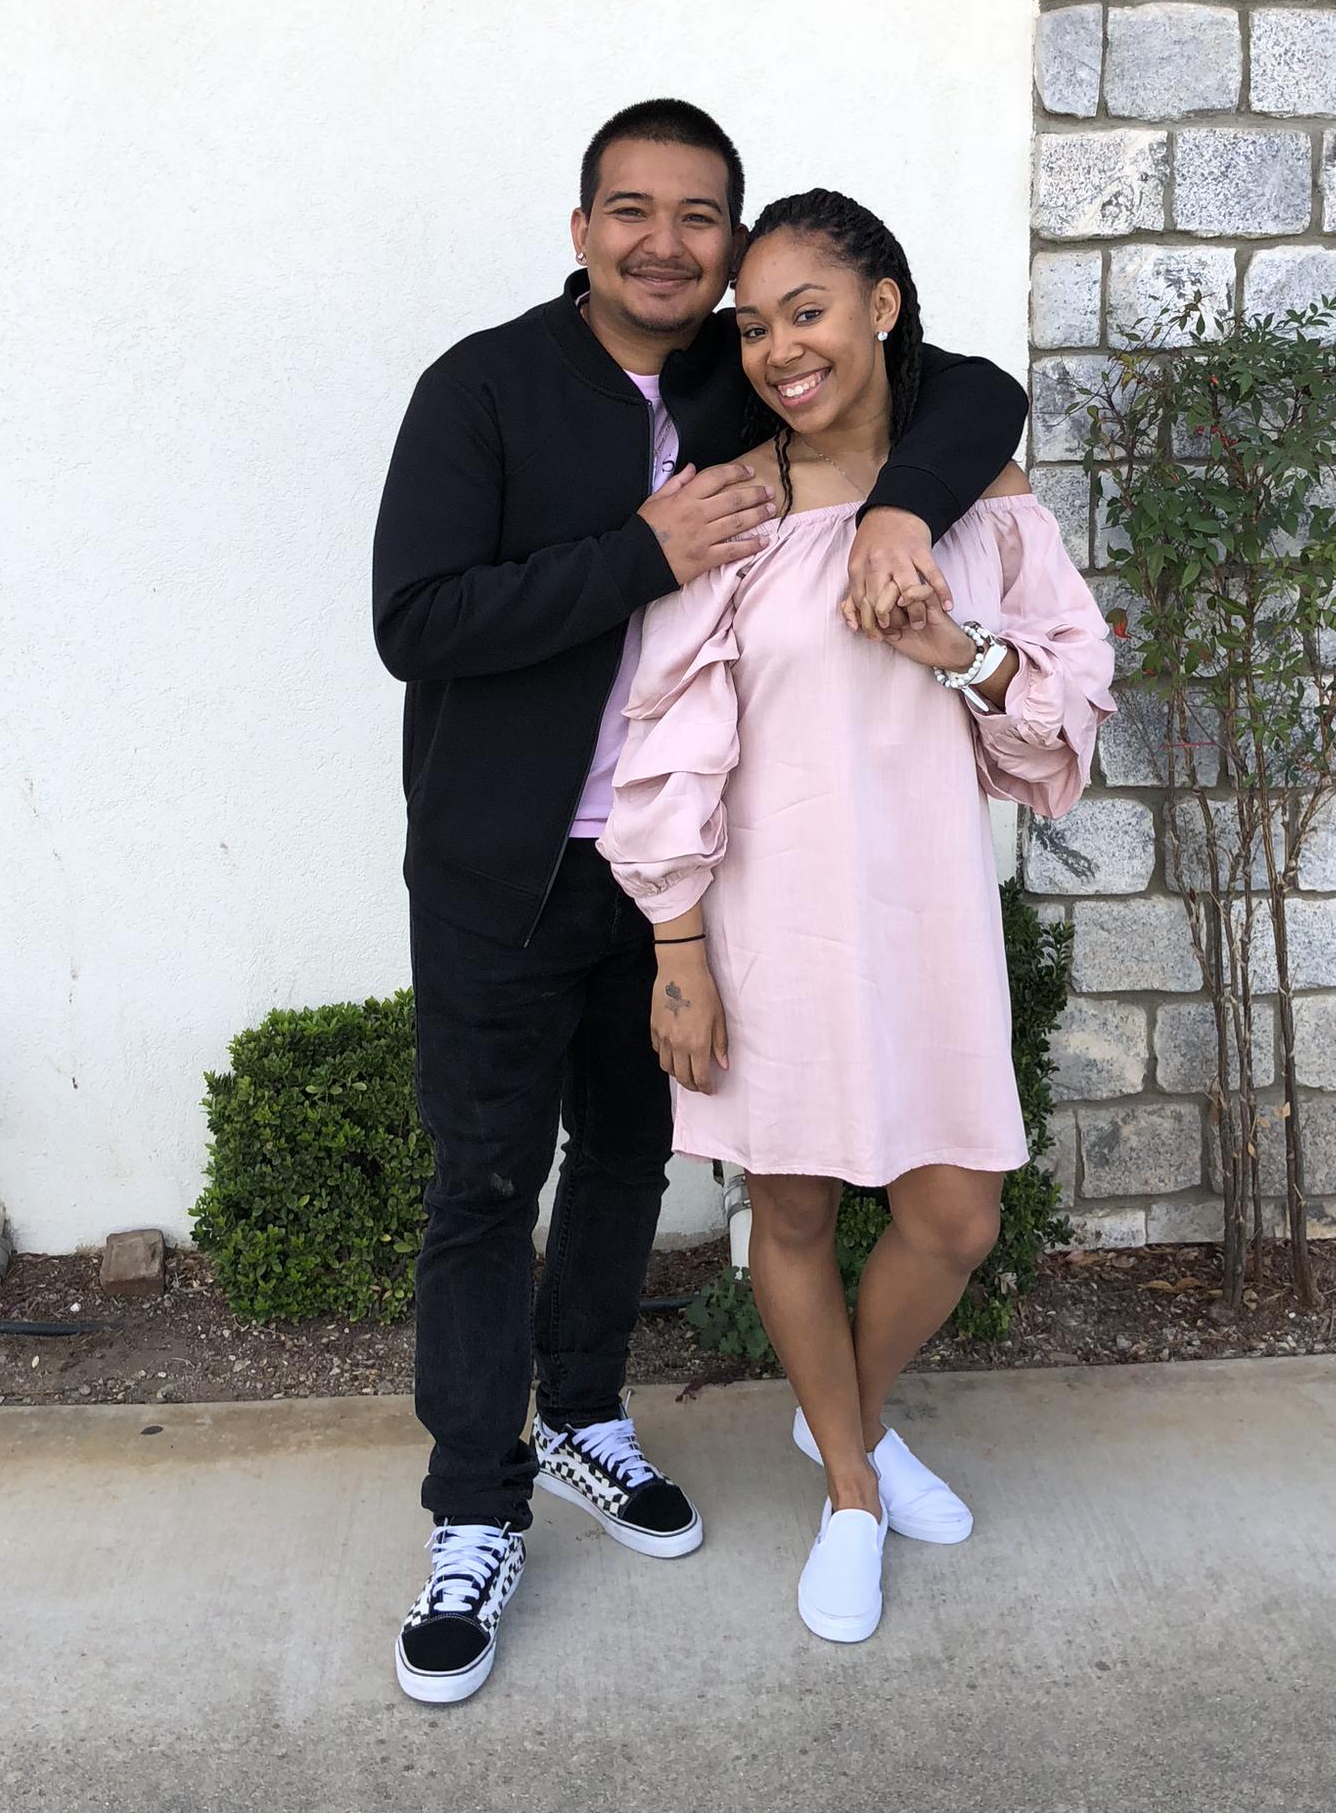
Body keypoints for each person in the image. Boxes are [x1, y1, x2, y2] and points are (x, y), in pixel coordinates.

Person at [371, 103, 1027, 1704]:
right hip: (513, 864)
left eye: (697, 218)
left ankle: (586, 1415)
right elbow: (416, 621)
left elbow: (974, 392)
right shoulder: (485, 386)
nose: (664, 243)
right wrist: (638, 553)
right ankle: (474, 1511)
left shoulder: (745, 380)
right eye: (631, 209)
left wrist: (899, 509)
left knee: (625, 1160)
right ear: (582, 228)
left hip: (696, 878)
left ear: (731, 244)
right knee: (485, 1186)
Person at [598, 189, 1115, 1644]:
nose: (778, 348)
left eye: (807, 311)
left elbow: (1069, 695)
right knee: (795, 1209)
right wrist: (679, 951)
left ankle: (846, 1419)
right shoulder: (734, 509)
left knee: (955, 1216)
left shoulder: (981, 496)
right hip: (772, 922)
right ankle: (849, 1488)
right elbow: (666, 739)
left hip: (926, 912)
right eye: (754, 326)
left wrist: (959, 647)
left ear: (882, 307)